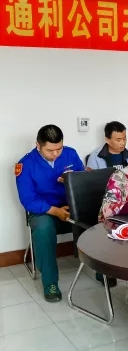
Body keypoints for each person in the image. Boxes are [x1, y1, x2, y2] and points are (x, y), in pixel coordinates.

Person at [15, 125, 85, 302]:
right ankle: (50, 283)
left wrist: (71, 180)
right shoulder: (25, 164)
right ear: (38, 146)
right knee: (44, 228)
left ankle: (102, 271)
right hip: (44, 212)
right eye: (50, 150)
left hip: (71, 207)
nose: (55, 154)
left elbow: (83, 180)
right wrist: (55, 211)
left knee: (98, 216)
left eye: (59, 149)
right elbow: (28, 200)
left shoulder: (70, 154)